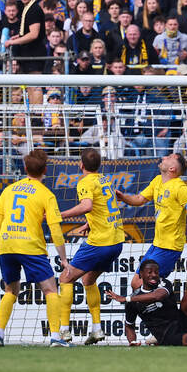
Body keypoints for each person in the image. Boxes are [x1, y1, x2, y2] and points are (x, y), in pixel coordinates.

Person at [0, 149, 69, 347]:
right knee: (51, 290)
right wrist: (63, 258)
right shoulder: (46, 194)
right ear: (45, 170)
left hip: (7, 245)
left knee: (10, 290)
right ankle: (55, 337)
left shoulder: (9, 190)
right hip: (30, 246)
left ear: (25, 168)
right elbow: (55, 230)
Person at [55, 148, 125, 345]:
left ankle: (64, 331)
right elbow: (103, 206)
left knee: (66, 278)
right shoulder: (105, 179)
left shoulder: (85, 182)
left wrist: (59, 216)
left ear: (81, 165)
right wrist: (90, 223)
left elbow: (87, 206)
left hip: (100, 242)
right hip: (116, 241)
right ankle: (96, 329)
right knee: (88, 280)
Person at [115, 153, 187, 290]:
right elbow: (140, 199)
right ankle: (164, 301)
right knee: (136, 283)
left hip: (170, 247)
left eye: (168, 158)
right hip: (157, 244)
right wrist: (123, 198)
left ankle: (167, 301)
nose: (164, 158)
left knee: (143, 285)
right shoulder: (157, 181)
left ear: (172, 169)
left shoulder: (180, 188)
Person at [106, 258, 187, 347]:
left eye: (156, 272)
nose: (154, 275)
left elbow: (158, 296)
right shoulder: (134, 301)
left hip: (182, 322)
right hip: (167, 335)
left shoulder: (163, 283)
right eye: (149, 272)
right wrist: (132, 342)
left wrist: (127, 298)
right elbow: (129, 325)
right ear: (141, 275)